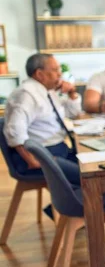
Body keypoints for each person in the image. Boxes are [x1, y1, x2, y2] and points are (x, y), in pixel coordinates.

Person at [3, 54, 81, 217]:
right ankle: (73, 211)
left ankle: (69, 210)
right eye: (55, 70)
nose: (60, 75)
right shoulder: (27, 94)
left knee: (96, 164)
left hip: (58, 150)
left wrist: (72, 92)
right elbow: (14, 130)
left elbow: (73, 113)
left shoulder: (47, 91)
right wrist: (32, 161)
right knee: (91, 175)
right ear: (39, 74)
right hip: (42, 156)